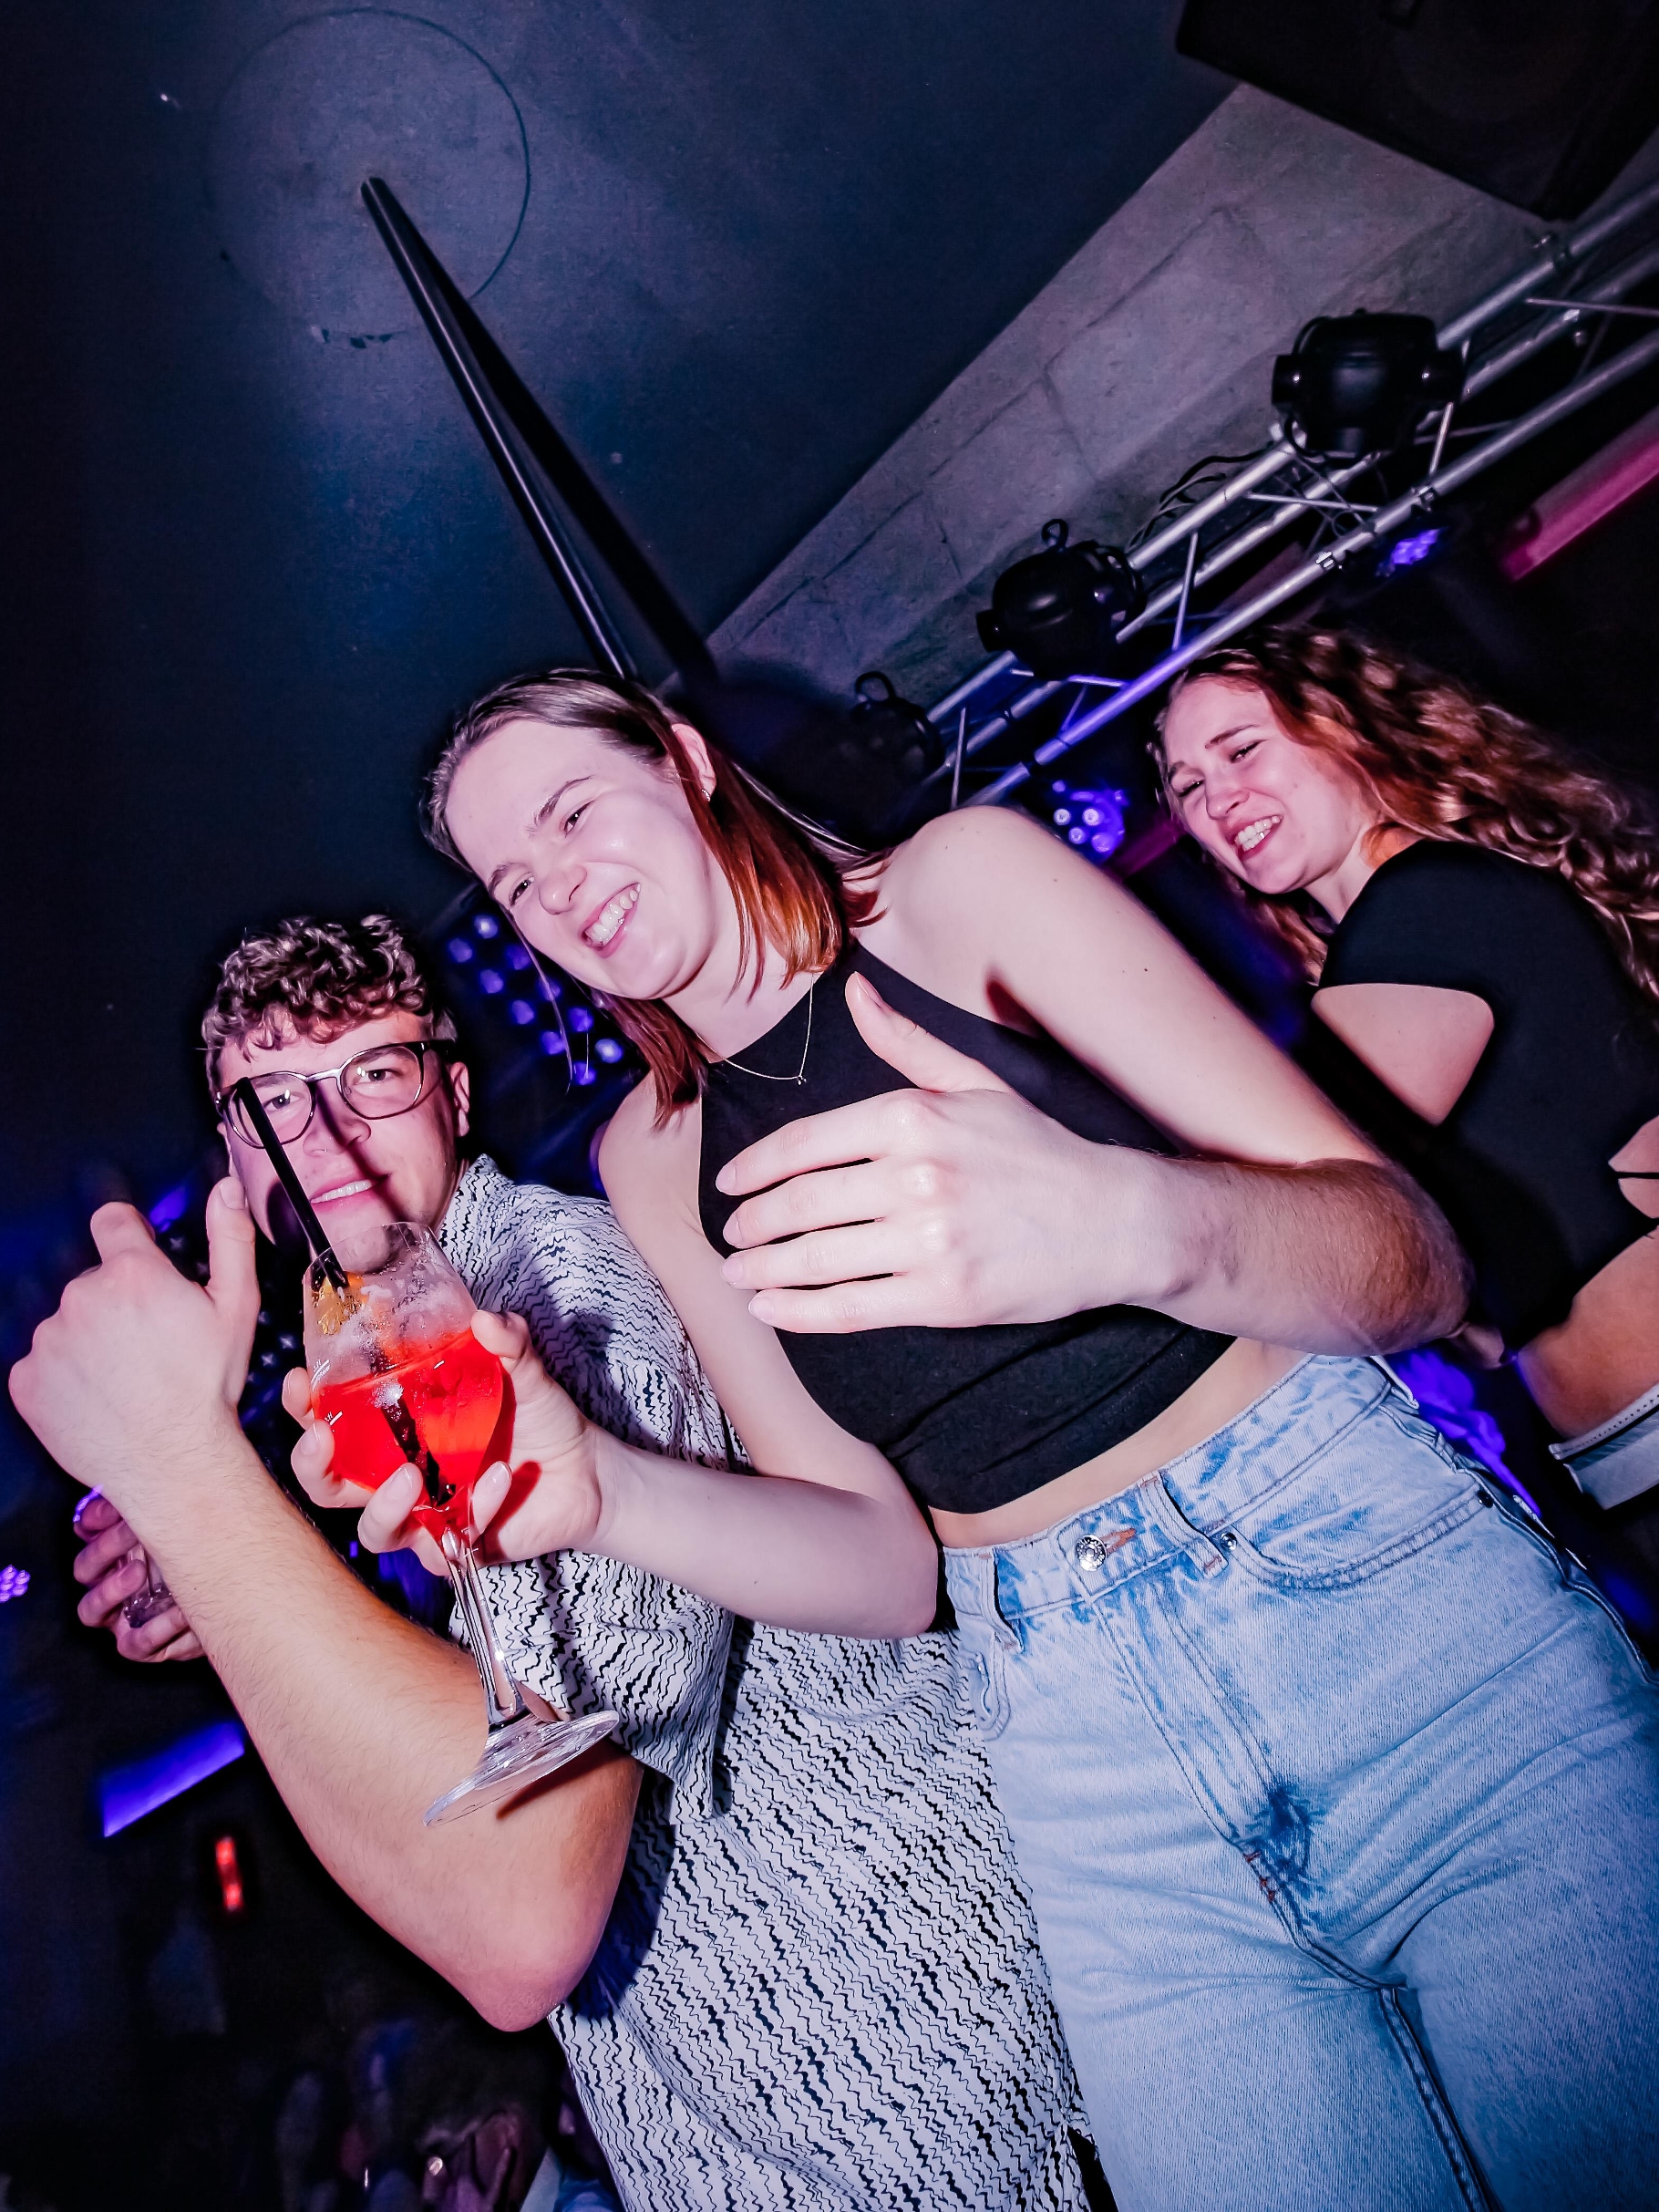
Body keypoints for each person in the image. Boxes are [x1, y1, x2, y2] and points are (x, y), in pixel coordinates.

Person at [423, 666, 1659, 2212]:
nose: (558, 890)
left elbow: (1413, 1259)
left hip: (1379, 1605)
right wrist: (601, 1488)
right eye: (512, 882)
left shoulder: (960, 891)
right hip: (1081, 1750)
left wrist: (1125, 1220)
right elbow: (881, 1565)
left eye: (572, 815)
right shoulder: (652, 1157)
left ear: (683, 762)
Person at [15, 915, 1097, 2212]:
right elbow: (473, 1673)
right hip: (761, 2112)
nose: (331, 1137)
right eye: (276, 1102)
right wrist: (244, 1583)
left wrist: (195, 1496)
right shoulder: (365, 1349)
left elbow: (522, 1897)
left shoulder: (541, 1297)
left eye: (375, 1074)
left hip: (911, 2064)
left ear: (457, 1097)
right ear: (236, 1162)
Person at [1159, 622, 1659, 1584]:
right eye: (1187, 787)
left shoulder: (1429, 902)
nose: (1216, 798)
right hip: (1615, 1449)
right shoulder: (1402, 930)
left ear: (1348, 729)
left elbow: (1282, 1197)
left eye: (1240, 750)